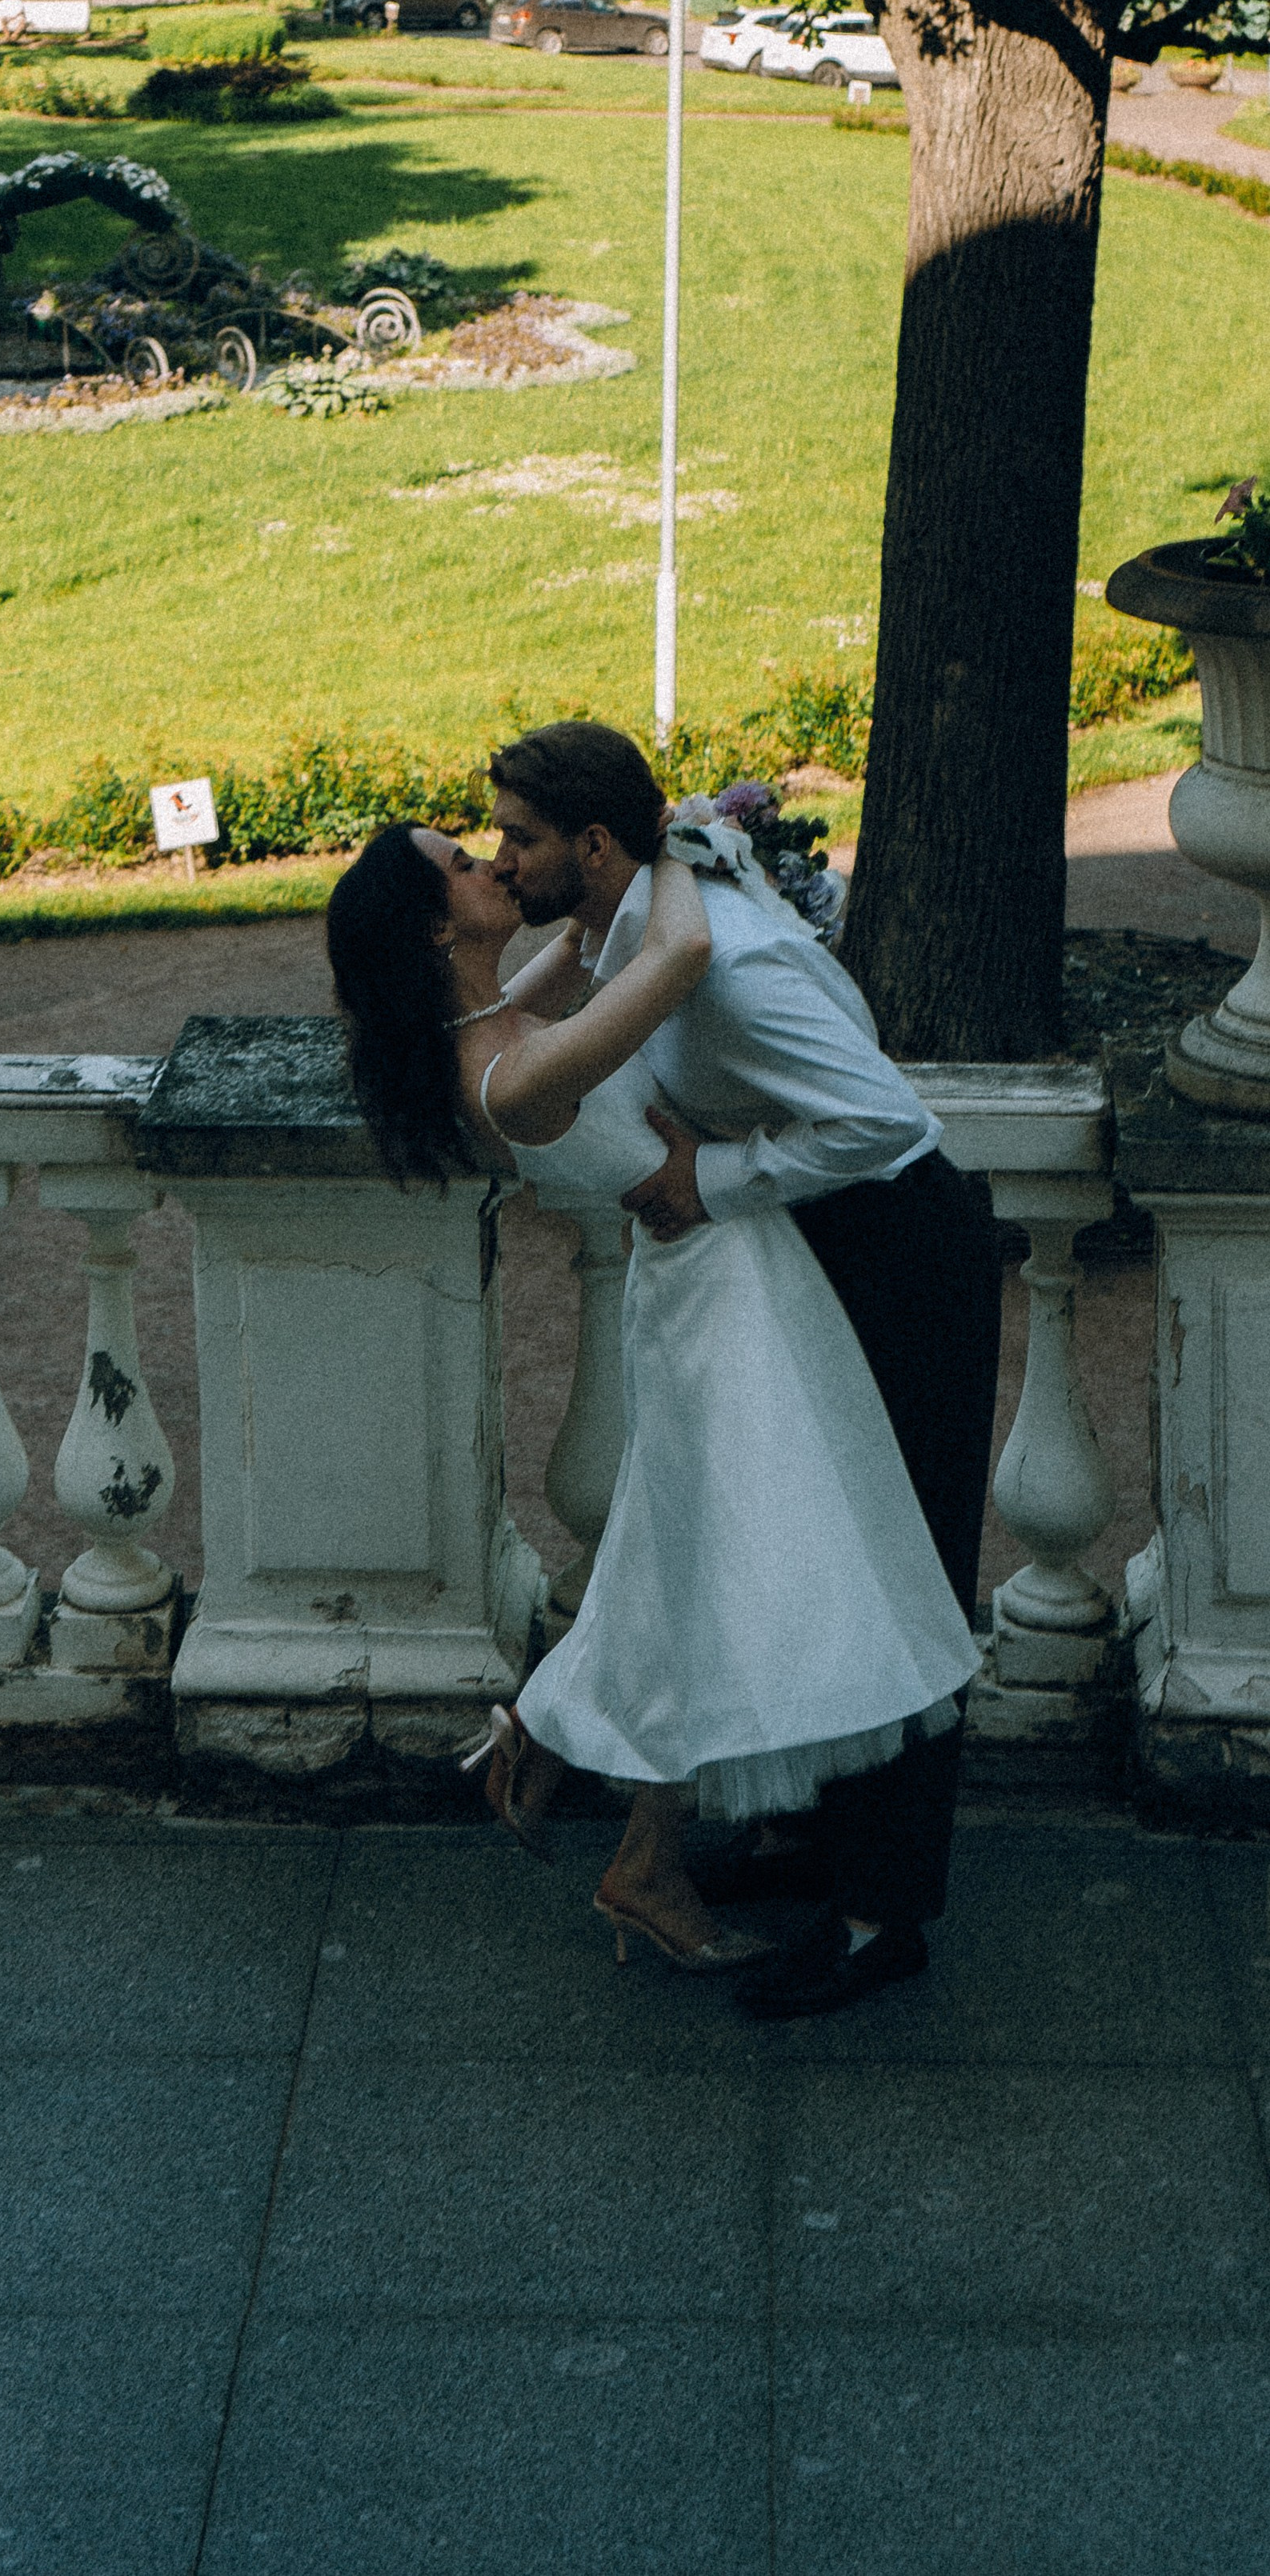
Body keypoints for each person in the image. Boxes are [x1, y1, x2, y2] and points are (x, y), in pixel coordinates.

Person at [325, 812, 983, 1984]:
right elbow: (672, 957)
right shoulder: (518, 1072)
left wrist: (680, 833)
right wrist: (665, 847)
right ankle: (620, 1812)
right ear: (437, 924)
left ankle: (605, 1800)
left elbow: (585, 955)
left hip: (716, 1284)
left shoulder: (485, 1020)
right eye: (465, 866)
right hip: (723, 1299)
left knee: (691, 1573)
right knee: (745, 1578)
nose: (492, 863)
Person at [484, 719, 1002, 2014]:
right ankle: (823, 1846)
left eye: (522, 837)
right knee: (812, 1552)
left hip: (899, 1251)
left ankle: (887, 1918)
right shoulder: (642, 916)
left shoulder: (729, 966)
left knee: (896, 1569)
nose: (503, 857)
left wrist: (710, 1179)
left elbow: (887, 1114)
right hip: (819, 1247)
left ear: (595, 845)